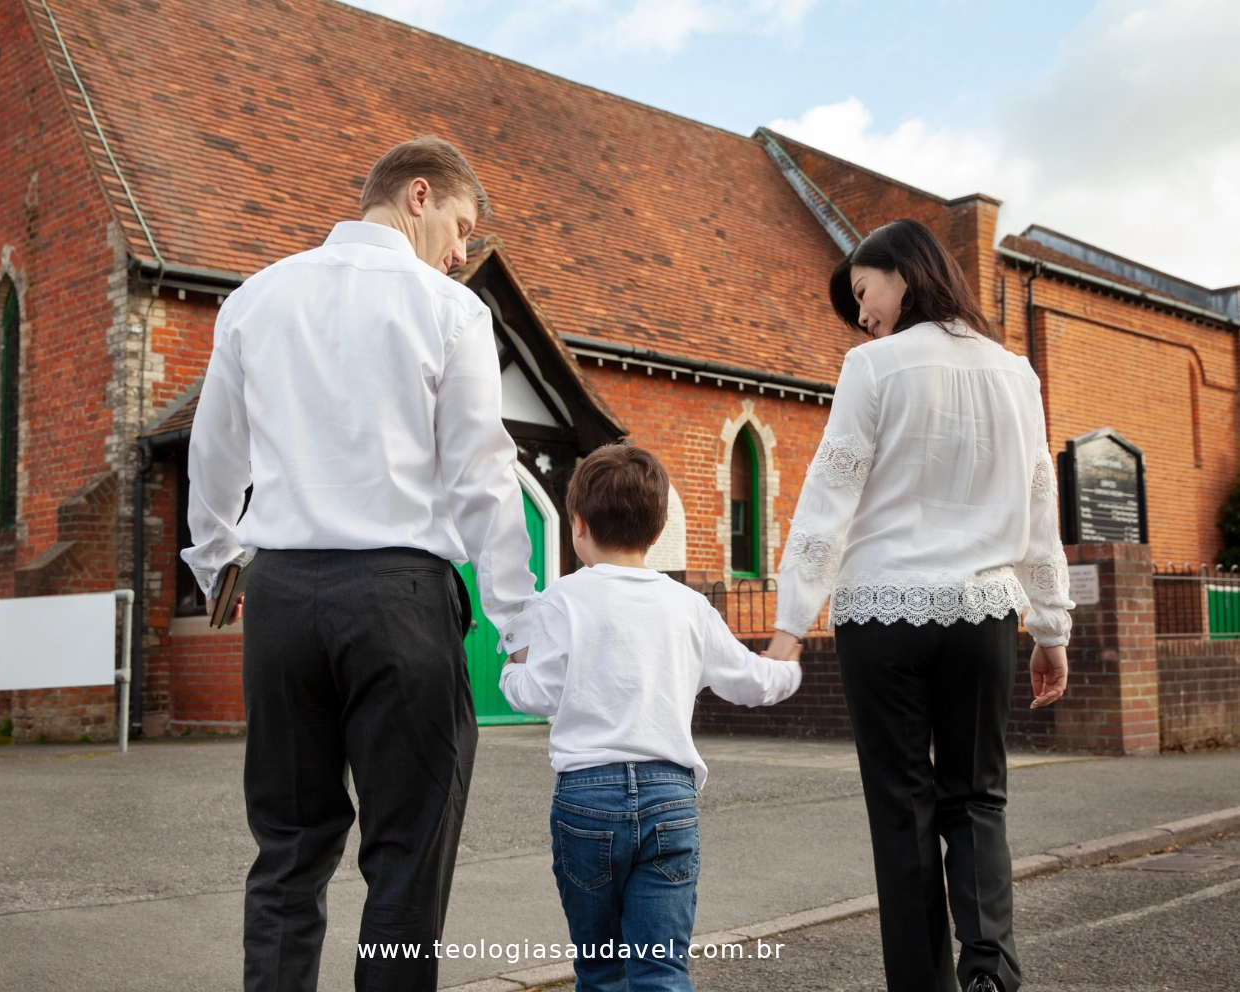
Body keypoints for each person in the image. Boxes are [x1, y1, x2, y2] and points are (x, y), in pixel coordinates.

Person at [182, 136, 539, 992]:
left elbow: (214, 451)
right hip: (397, 600)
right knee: (407, 858)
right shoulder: (450, 312)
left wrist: (217, 556)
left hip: (279, 604)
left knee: (288, 850)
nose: (463, 253)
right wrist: (519, 620)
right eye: (461, 225)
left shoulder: (256, 299)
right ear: (417, 195)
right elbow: (483, 476)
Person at [765, 219, 1073, 992]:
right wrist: (1050, 626)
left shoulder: (874, 368)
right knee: (979, 799)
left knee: (903, 810)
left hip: (882, 616)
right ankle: (990, 975)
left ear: (904, 272)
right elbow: (1041, 506)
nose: (861, 314)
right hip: (983, 615)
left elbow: (829, 495)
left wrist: (789, 625)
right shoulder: (1018, 376)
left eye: (864, 293)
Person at [501, 444, 801, 992]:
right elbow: (752, 681)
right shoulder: (689, 606)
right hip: (670, 798)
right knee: (660, 971)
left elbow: (535, 695)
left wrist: (511, 666)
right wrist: (789, 663)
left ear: (579, 525)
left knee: (600, 971)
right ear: (658, 532)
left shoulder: (561, 601)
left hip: (585, 800)